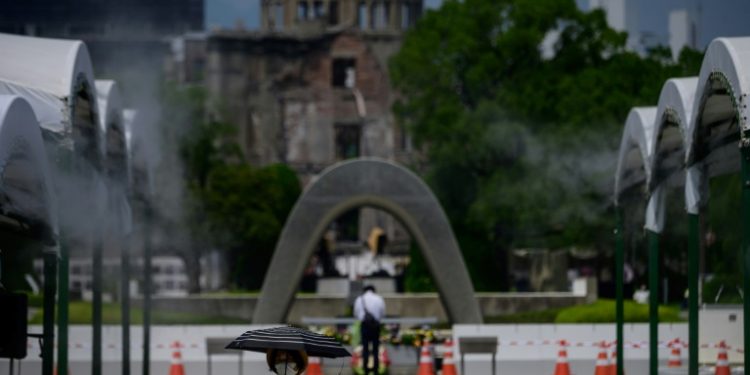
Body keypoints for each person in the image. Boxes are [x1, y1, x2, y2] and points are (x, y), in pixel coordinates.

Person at [354, 285, 386, 375]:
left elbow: (356, 314)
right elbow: (383, 313)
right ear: (374, 290)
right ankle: (376, 369)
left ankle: (365, 369)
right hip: (375, 326)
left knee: (365, 348)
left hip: (364, 325)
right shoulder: (379, 299)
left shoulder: (360, 299)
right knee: (376, 349)